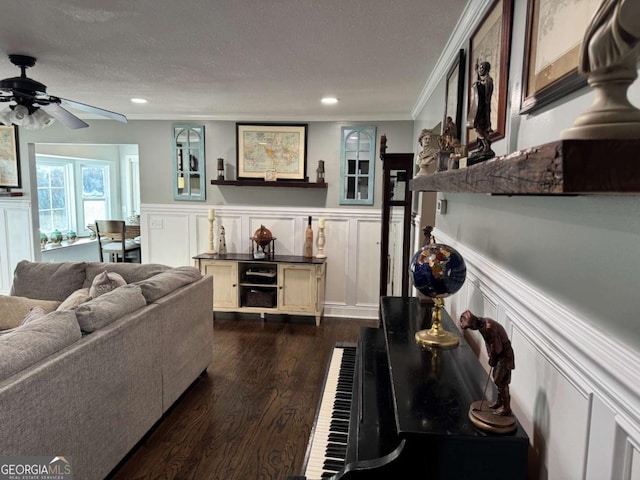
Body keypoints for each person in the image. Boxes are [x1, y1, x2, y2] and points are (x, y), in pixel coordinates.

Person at [459, 310, 514, 416]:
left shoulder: (488, 328)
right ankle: (499, 402)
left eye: (470, 327)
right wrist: (491, 356)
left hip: (504, 356)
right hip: (499, 356)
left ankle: (506, 408)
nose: (471, 329)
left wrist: (492, 358)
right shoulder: (482, 325)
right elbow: (490, 344)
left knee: (501, 381)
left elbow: (497, 348)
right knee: (498, 380)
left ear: (474, 323)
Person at [467, 61, 494, 157]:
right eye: (479, 68)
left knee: (480, 127)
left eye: (482, 68)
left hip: (483, 109)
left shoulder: (488, 80)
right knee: (478, 127)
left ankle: (486, 146)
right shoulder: (482, 80)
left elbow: (485, 94)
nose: (479, 70)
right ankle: (482, 146)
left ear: (486, 69)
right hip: (480, 109)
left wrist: (480, 84)